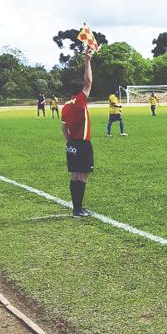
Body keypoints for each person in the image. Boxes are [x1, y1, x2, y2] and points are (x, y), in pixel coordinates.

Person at [61, 48, 94, 218]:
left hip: (72, 144)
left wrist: (69, 140)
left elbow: (63, 127)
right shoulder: (80, 101)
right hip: (82, 144)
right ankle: (78, 210)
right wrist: (87, 60)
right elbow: (88, 81)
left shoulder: (66, 106)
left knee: (74, 175)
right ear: (81, 91)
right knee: (82, 176)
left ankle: (76, 208)